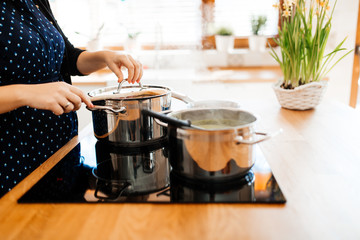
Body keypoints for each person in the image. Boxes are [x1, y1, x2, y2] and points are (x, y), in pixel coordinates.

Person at [0, 0, 143, 197]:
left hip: (59, 148)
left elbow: (67, 58)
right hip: (13, 155)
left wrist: (105, 57)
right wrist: (27, 93)